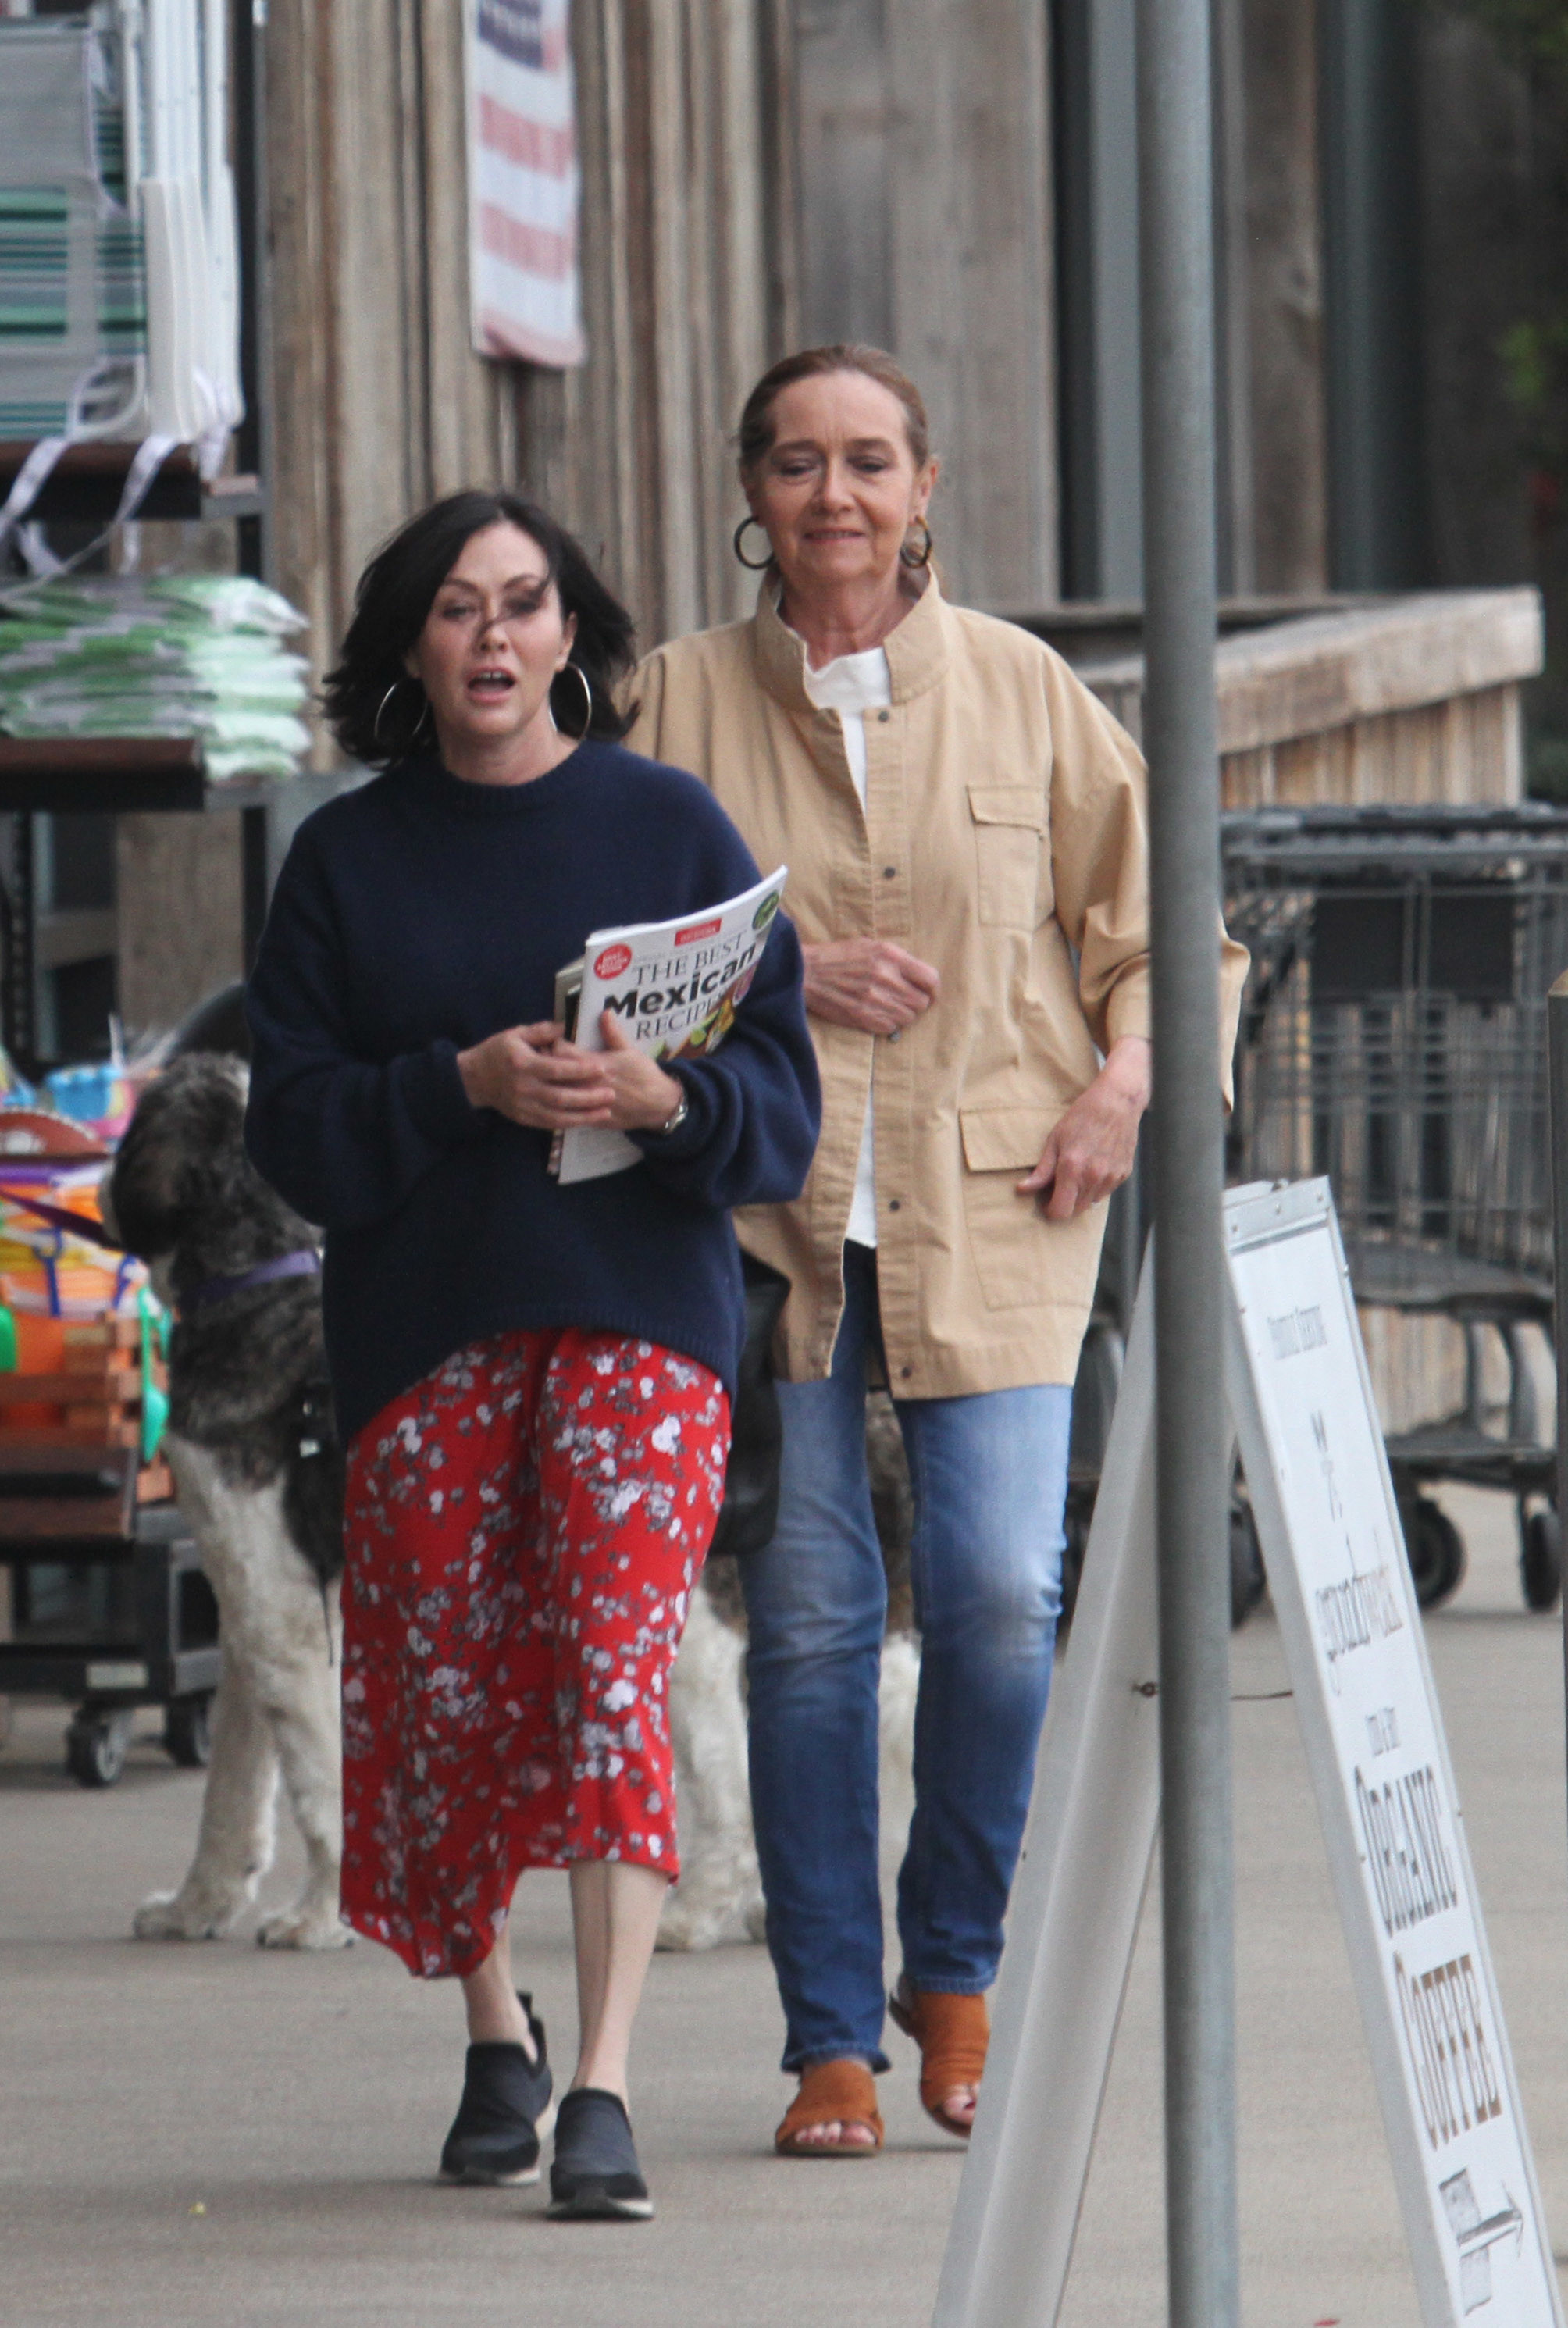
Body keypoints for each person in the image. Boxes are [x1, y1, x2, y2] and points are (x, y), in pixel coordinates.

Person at [622, 344, 1245, 2158]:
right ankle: (832, 2035)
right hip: (763, 1216)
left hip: (1005, 1200)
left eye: (869, 460)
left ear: (925, 485)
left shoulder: (1028, 690)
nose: (836, 494)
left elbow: (1165, 930)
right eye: (798, 461)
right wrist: (779, 973)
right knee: (812, 1625)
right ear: (752, 491)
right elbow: (603, 961)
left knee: (995, 1597)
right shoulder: (672, 703)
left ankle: (954, 1966)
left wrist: (1125, 1085)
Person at [243, 492, 820, 2219]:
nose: (492, 637)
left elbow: (781, 1101)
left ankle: (604, 2086)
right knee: (440, 1689)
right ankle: (497, 2027)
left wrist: (669, 1098)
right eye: (455, 608)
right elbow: (295, 1131)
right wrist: (461, 1086)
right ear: (410, 648)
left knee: (611, 1663)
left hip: (641, 1312)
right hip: (427, 1322)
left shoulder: (669, 827)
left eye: (523, 602)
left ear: (574, 633)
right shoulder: (343, 860)